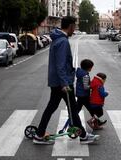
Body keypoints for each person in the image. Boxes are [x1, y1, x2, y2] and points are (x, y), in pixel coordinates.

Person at [34, 16, 100, 145]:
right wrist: (64, 83)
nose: (74, 29)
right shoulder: (63, 41)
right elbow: (61, 65)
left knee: (52, 107)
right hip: (63, 83)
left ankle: (39, 134)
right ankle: (83, 136)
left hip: (57, 81)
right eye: (74, 26)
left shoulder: (57, 39)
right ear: (70, 26)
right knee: (73, 109)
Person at [76, 59, 107, 129]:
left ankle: (97, 123)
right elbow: (86, 87)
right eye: (91, 67)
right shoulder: (85, 76)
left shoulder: (80, 72)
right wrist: (93, 85)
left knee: (88, 110)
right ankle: (73, 120)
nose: (92, 68)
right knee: (93, 110)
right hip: (84, 95)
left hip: (80, 94)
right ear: (89, 67)